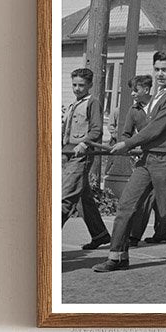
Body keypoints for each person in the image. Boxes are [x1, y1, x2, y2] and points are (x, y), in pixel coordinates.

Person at [92, 52, 166, 272]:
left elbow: (156, 128)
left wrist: (128, 144)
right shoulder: (155, 97)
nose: (160, 74)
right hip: (147, 159)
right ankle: (117, 257)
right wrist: (130, 142)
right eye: (157, 69)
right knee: (126, 205)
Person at [119, 75, 166, 246]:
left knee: (165, 199)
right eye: (132, 91)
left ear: (146, 90)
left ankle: (165, 232)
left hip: (164, 156)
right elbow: (126, 134)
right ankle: (134, 236)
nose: (133, 94)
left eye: (136, 90)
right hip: (145, 157)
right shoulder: (133, 111)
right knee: (142, 198)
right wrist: (128, 146)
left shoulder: (160, 105)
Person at [61, 67, 110, 250]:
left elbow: (97, 130)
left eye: (81, 85)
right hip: (67, 154)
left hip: (81, 155)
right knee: (84, 198)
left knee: (65, 198)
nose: (77, 88)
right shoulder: (75, 104)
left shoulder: (93, 103)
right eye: (74, 84)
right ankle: (100, 235)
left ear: (89, 85)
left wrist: (85, 143)